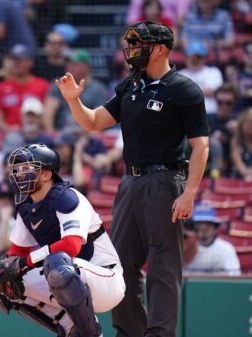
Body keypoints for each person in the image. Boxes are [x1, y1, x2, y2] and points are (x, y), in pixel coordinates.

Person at [54, 22, 209, 337]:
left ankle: (159, 333)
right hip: (130, 182)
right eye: (132, 44)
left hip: (166, 180)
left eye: (140, 44)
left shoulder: (184, 89)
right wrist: (73, 101)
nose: (132, 51)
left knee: (163, 266)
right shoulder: (131, 86)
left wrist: (190, 191)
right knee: (120, 264)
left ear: (161, 49)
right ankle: (130, 332)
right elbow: (95, 121)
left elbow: (200, 145)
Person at [0, 144, 125, 337]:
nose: (19, 174)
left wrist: (24, 263)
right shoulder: (25, 206)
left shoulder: (67, 197)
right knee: (2, 281)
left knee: (58, 264)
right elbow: (16, 254)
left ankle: (89, 333)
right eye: (17, 169)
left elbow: (71, 246)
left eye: (27, 168)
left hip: (106, 280)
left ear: (46, 174)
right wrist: (8, 267)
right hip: (68, 277)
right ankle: (70, 329)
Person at [44, 49, 109, 133]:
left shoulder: (98, 89)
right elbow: (48, 112)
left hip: (86, 136)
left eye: (74, 63)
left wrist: (88, 139)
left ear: (86, 66)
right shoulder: (59, 84)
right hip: (61, 135)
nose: (69, 66)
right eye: (68, 63)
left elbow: (100, 120)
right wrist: (51, 134)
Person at [0, 43, 49, 131]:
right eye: (13, 60)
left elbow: (47, 115)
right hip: (8, 133)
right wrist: (10, 130)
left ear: (30, 62)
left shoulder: (43, 85)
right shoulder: (1, 87)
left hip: (35, 133)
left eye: (20, 60)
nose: (16, 64)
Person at [184, 202, 241, 276]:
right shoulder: (186, 247)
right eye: (199, 223)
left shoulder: (226, 248)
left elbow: (234, 278)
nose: (203, 227)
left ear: (215, 226)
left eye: (208, 223)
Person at [178, 41, 223, 115]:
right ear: (186, 58)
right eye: (192, 57)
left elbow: (215, 92)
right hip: (186, 114)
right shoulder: (179, 74)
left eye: (198, 57)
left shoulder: (214, 72)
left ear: (204, 58)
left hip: (210, 113)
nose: (195, 60)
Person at [230, 107, 252, 180]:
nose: (249, 126)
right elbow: (238, 163)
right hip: (240, 180)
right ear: (241, 125)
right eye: (247, 123)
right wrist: (247, 172)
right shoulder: (237, 142)